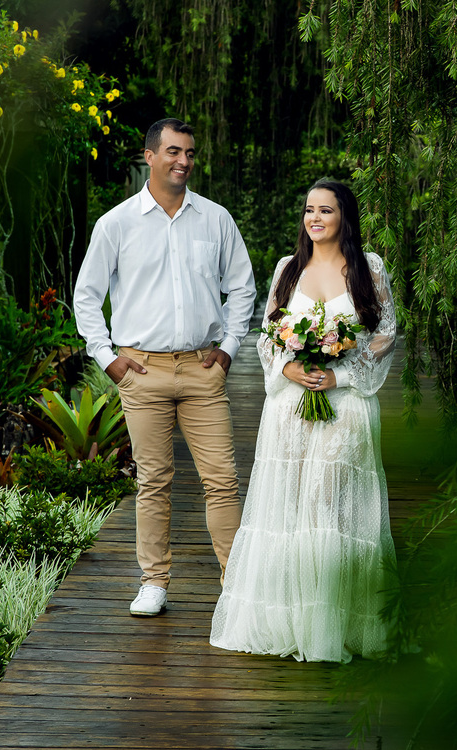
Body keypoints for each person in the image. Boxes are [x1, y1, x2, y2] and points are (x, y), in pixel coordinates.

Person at [73, 118, 256, 617]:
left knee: (222, 479)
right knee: (153, 479)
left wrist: (230, 348)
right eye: (173, 151)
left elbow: (242, 286)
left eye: (190, 153)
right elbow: (86, 296)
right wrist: (109, 360)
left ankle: (234, 582)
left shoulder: (216, 220)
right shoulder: (117, 223)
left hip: (202, 369)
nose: (184, 161)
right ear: (149, 156)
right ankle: (154, 581)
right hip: (143, 372)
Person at [210, 179, 397, 662]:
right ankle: (288, 616)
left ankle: (336, 620)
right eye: (309, 210)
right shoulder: (288, 269)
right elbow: (270, 335)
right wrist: (289, 366)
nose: (315, 219)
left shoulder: (368, 268)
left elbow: (385, 334)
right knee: (290, 504)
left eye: (326, 211)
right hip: (290, 405)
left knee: (328, 502)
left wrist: (342, 376)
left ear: (344, 218)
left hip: (346, 403)